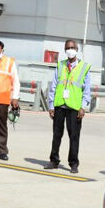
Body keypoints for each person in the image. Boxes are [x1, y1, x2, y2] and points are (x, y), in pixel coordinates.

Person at [43, 39, 91, 174]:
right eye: (67, 48)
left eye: (72, 47)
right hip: (60, 105)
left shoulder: (84, 67)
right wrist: (51, 105)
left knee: (74, 136)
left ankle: (73, 163)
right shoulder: (60, 65)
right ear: (65, 50)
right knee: (56, 135)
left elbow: (87, 90)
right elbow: (53, 86)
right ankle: (54, 160)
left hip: (74, 107)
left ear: (77, 49)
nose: (70, 50)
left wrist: (83, 107)